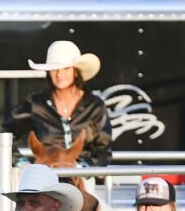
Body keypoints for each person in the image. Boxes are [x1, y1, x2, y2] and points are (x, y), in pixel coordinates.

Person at [7, 39, 112, 167]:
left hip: (84, 179)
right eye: (54, 69)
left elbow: (104, 150)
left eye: (66, 68)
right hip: (45, 178)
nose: (59, 74)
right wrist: (21, 163)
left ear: (75, 71)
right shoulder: (36, 103)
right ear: (48, 72)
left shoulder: (94, 105)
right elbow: (5, 132)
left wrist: (82, 168)